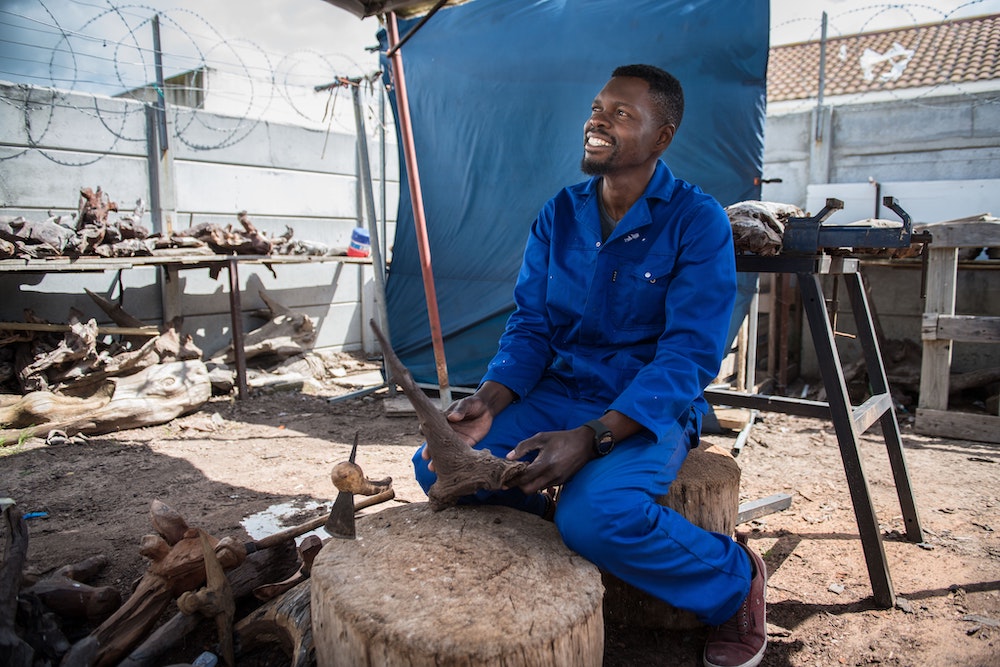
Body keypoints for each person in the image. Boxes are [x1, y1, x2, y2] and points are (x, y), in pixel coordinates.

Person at [412, 63, 767, 667]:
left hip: (642, 408)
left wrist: (592, 436)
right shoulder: (560, 213)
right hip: (558, 391)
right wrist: (490, 400)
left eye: (621, 113)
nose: (597, 120)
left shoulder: (695, 220)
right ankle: (556, 526)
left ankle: (734, 581)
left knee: (598, 520)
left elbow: (690, 355)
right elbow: (531, 325)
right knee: (442, 466)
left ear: (662, 137)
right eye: (598, 107)